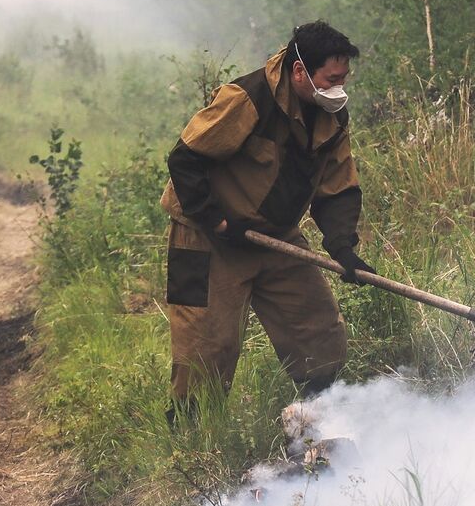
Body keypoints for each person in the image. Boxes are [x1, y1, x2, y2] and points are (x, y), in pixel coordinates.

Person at [160, 21, 376, 425]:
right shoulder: (247, 99)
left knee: (317, 328)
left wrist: (344, 248)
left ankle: (317, 425)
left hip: (274, 237)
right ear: (299, 72)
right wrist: (218, 221)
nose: (339, 88)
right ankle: (191, 445)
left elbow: (338, 188)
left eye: (343, 79)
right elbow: (185, 159)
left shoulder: (332, 116)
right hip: (206, 236)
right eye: (331, 79)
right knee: (206, 348)